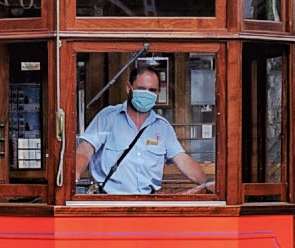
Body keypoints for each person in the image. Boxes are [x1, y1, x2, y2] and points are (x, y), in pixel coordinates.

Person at [75, 61, 212, 196]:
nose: (147, 94)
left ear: (158, 92)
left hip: (149, 205)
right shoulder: (107, 117)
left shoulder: (163, 127)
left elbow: (182, 159)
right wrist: (74, 174)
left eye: (152, 90)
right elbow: (86, 149)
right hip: (111, 203)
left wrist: (206, 182)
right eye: (141, 89)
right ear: (129, 88)